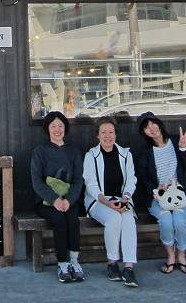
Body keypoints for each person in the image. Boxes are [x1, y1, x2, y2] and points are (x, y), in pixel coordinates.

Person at [136, 111, 186, 274]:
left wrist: (184, 149)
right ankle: (171, 256)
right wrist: (155, 189)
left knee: (178, 222)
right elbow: (142, 178)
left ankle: (182, 255)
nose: (151, 128)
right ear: (144, 133)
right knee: (165, 220)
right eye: (146, 127)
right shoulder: (145, 152)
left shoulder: (177, 141)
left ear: (158, 123)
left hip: (178, 196)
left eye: (152, 123)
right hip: (157, 198)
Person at [83, 116, 139, 287]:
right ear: (98, 136)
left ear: (116, 134)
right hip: (99, 200)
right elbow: (90, 182)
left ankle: (128, 267)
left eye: (111, 132)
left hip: (122, 198)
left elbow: (131, 180)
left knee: (128, 219)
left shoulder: (125, 154)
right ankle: (112, 263)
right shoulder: (91, 155)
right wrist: (106, 203)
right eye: (103, 132)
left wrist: (126, 198)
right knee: (114, 218)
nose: (108, 136)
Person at [31, 111, 85, 283]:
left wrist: (68, 200)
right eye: (53, 126)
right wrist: (55, 200)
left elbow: (78, 180)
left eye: (60, 125)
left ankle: (74, 262)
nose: (57, 129)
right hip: (46, 202)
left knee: (72, 218)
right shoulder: (40, 151)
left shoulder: (74, 151)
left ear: (65, 128)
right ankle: (63, 263)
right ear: (47, 129)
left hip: (70, 200)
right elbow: (36, 182)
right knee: (59, 221)